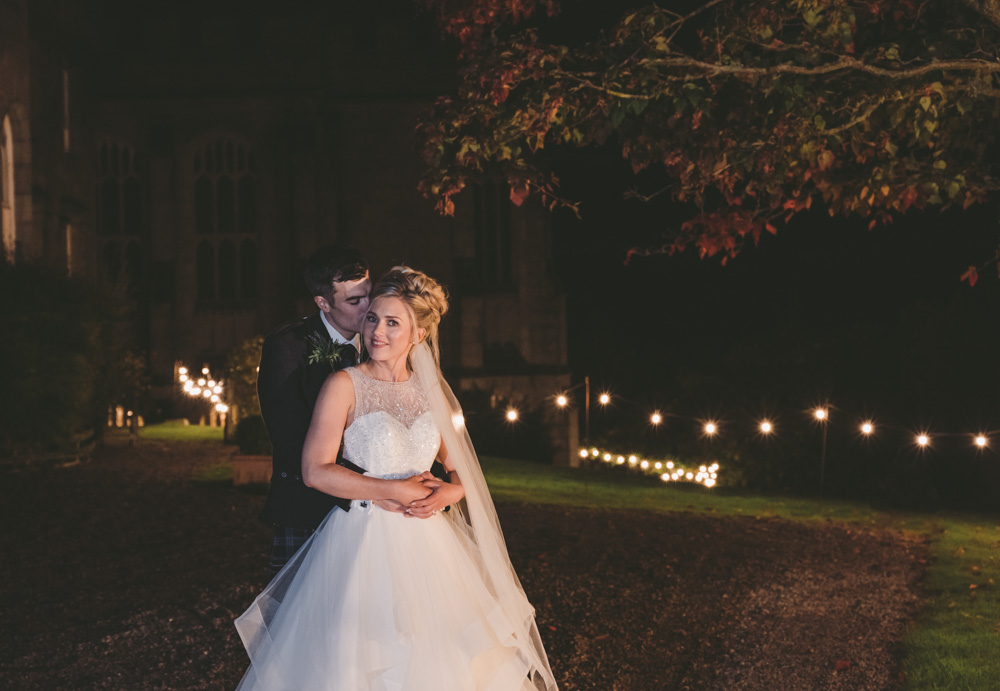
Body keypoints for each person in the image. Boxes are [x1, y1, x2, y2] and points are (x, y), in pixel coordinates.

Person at [235, 267, 557, 690]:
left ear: (419, 335)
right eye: (372, 318)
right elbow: (315, 470)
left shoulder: (432, 393)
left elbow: (461, 468)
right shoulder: (344, 385)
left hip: (430, 548)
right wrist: (391, 489)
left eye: (392, 323)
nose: (377, 332)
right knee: (359, 658)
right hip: (361, 542)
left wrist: (452, 491)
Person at [255, 245, 371, 575]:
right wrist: (375, 488)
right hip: (310, 510)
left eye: (368, 294)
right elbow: (290, 441)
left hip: (379, 515)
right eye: (353, 301)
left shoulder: (383, 341)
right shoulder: (287, 348)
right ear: (322, 302)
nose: (367, 308)